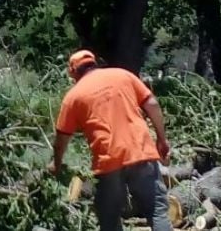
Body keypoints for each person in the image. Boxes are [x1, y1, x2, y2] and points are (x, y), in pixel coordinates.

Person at [48, 50, 172, 231]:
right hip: (141, 151)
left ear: (73, 73)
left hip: (108, 161)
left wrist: (56, 163)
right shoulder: (123, 75)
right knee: (157, 211)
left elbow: (62, 138)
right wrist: (162, 140)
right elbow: (151, 103)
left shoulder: (73, 97)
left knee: (109, 217)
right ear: (94, 63)